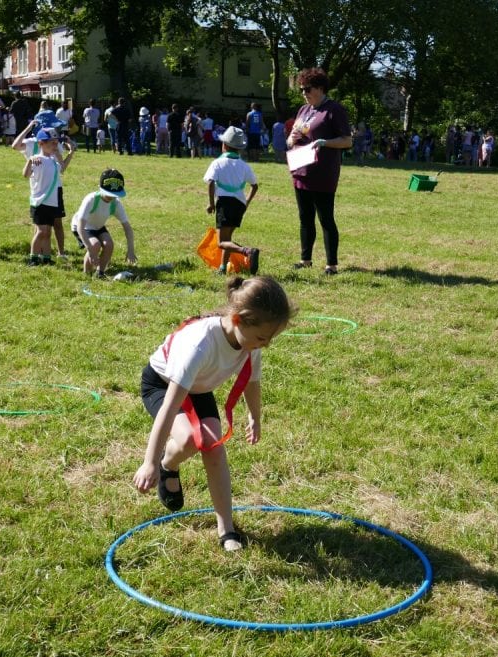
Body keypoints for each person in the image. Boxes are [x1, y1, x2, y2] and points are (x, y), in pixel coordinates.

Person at [133, 276, 296, 551]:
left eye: (270, 339)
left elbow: (252, 382)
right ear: (237, 319)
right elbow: (171, 406)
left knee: (214, 447)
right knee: (187, 439)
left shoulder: (251, 343)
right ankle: (164, 465)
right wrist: (149, 462)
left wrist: (255, 417)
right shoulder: (199, 346)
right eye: (261, 338)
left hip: (197, 387)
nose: (265, 345)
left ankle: (227, 530)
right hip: (162, 384)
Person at [286, 68, 352, 275]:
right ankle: (305, 259)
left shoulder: (334, 110)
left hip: (323, 173)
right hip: (301, 171)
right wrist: (291, 139)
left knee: (325, 218)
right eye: (302, 89)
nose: (304, 93)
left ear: (321, 88)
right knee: (305, 217)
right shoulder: (303, 110)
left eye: (308, 89)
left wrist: (325, 142)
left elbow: (347, 140)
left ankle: (331, 265)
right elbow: (290, 140)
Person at [13, 111, 71, 258]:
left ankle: (52, 254)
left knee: (51, 225)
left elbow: (61, 167)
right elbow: (15, 146)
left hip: (53, 189)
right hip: (39, 192)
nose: (56, 131)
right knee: (41, 228)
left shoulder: (54, 147)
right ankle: (36, 254)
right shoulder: (33, 143)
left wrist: (67, 152)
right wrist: (29, 127)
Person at [204, 126, 261, 275]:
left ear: (225, 145)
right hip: (239, 204)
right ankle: (222, 268)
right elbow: (254, 185)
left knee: (221, 242)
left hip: (224, 203)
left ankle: (247, 251)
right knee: (228, 237)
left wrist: (211, 203)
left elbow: (210, 182)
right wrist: (247, 202)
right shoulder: (244, 165)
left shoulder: (217, 163)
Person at [22, 127, 75, 266]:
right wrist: (29, 161)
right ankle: (33, 258)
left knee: (47, 232)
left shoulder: (52, 161)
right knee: (40, 231)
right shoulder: (36, 159)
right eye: (51, 143)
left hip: (51, 202)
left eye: (56, 143)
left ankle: (46, 258)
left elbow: (62, 168)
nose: (55, 146)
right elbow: (25, 174)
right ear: (40, 143)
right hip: (40, 203)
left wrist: (70, 152)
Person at [72, 168, 136, 277]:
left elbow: (127, 227)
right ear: (99, 187)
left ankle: (100, 272)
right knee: (95, 245)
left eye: (114, 194)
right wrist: (91, 250)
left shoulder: (115, 203)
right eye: (108, 193)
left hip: (98, 226)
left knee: (109, 244)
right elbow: (80, 226)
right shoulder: (91, 199)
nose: (110, 197)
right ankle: (86, 274)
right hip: (82, 227)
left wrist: (131, 249)